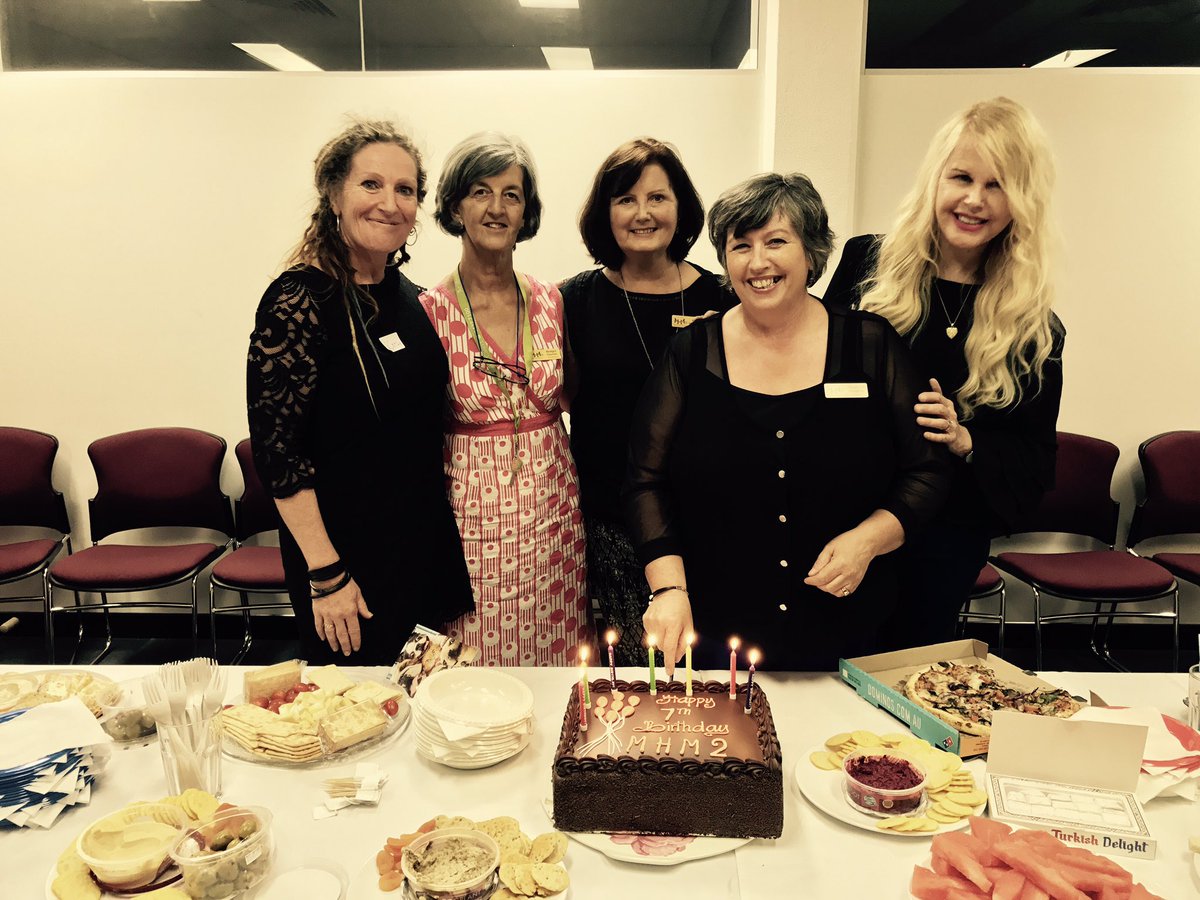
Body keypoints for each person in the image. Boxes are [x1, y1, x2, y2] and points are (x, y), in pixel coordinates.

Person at [627, 173, 950, 672]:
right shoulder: (691, 352)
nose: (758, 263)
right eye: (741, 246)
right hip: (718, 631)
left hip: (853, 628)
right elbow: (644, 481)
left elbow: (928, 470)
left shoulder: (870, 345)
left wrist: (868, 540)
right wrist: (668, 588)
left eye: (776, 241)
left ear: (811, 252)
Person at [823, 97, 1065, 650]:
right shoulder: (867, 264)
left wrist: (967, 438)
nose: (974, 200)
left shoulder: (1034, 326)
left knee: (905, 687)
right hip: (843, 522)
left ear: (1022, 201)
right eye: (962, 177)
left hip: (943, 541)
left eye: (998, 185)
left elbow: (1034, 465)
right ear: (936, 179)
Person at [247, 120, 473, 664]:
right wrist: (326, 576)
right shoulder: (298, 302)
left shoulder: (411, 299)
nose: (389, 203)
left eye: (405, 190)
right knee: (354, 718)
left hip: (419, 547)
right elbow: (280, 457)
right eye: (370, 184)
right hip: (346, 565)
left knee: (420, 714)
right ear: (333, 194)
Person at [420, 132, 593, 666]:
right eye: (480, 191)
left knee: (558, 648)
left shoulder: (551, 300)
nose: (496, 208)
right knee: (475, 648)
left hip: (552, 504)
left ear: (526, 212)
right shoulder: (428, 311)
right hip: (471, 510)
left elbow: (574, 395)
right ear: (456, 206)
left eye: (511, 195)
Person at [561, 138, 734, 666]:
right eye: (625, 199)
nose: (642, 214)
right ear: (604, 213)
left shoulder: (724, 297)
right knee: (644, 669)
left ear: (680, 207)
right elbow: (564, 394)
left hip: (709, 513)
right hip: (613, 516)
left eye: (657, 198)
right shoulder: (574, 298)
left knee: (717, 662)